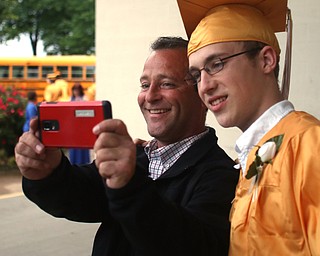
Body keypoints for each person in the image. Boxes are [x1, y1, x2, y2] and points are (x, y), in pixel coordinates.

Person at [15, 36, 239, 256]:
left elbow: (191, 245)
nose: (149, 96)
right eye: (144, 84)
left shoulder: (221, 175)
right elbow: (78, 196)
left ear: (200, 93)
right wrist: (46, 173)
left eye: (167, 84)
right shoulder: (136, 156)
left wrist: (129, 185)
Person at [177, 0, 320, 255]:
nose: (204, 86)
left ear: (266, 60)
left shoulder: (309, 145)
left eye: (216, 64)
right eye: (197, 75)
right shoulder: (251, 157)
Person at [68, 83, 90, 165]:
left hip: (82, 125)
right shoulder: (70, 99)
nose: (76, 92)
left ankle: (83, 162)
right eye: (74, 90)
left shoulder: (84, 99)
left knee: (82, 145)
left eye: (77, 90)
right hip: (73, 125)